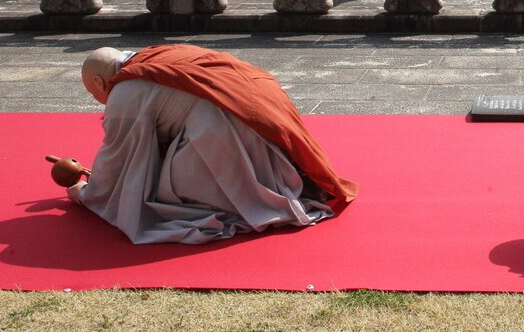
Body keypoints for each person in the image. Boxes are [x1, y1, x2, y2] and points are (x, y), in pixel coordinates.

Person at [67, 44, 358, 244]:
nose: (101, 103)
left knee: (169, 190)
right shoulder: (152, 55)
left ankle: (249, 199)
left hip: (224, 131)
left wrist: (84, 192)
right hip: (254, 111)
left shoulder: (124, 94)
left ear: (100, 81)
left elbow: (115, 160)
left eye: (95, 94)